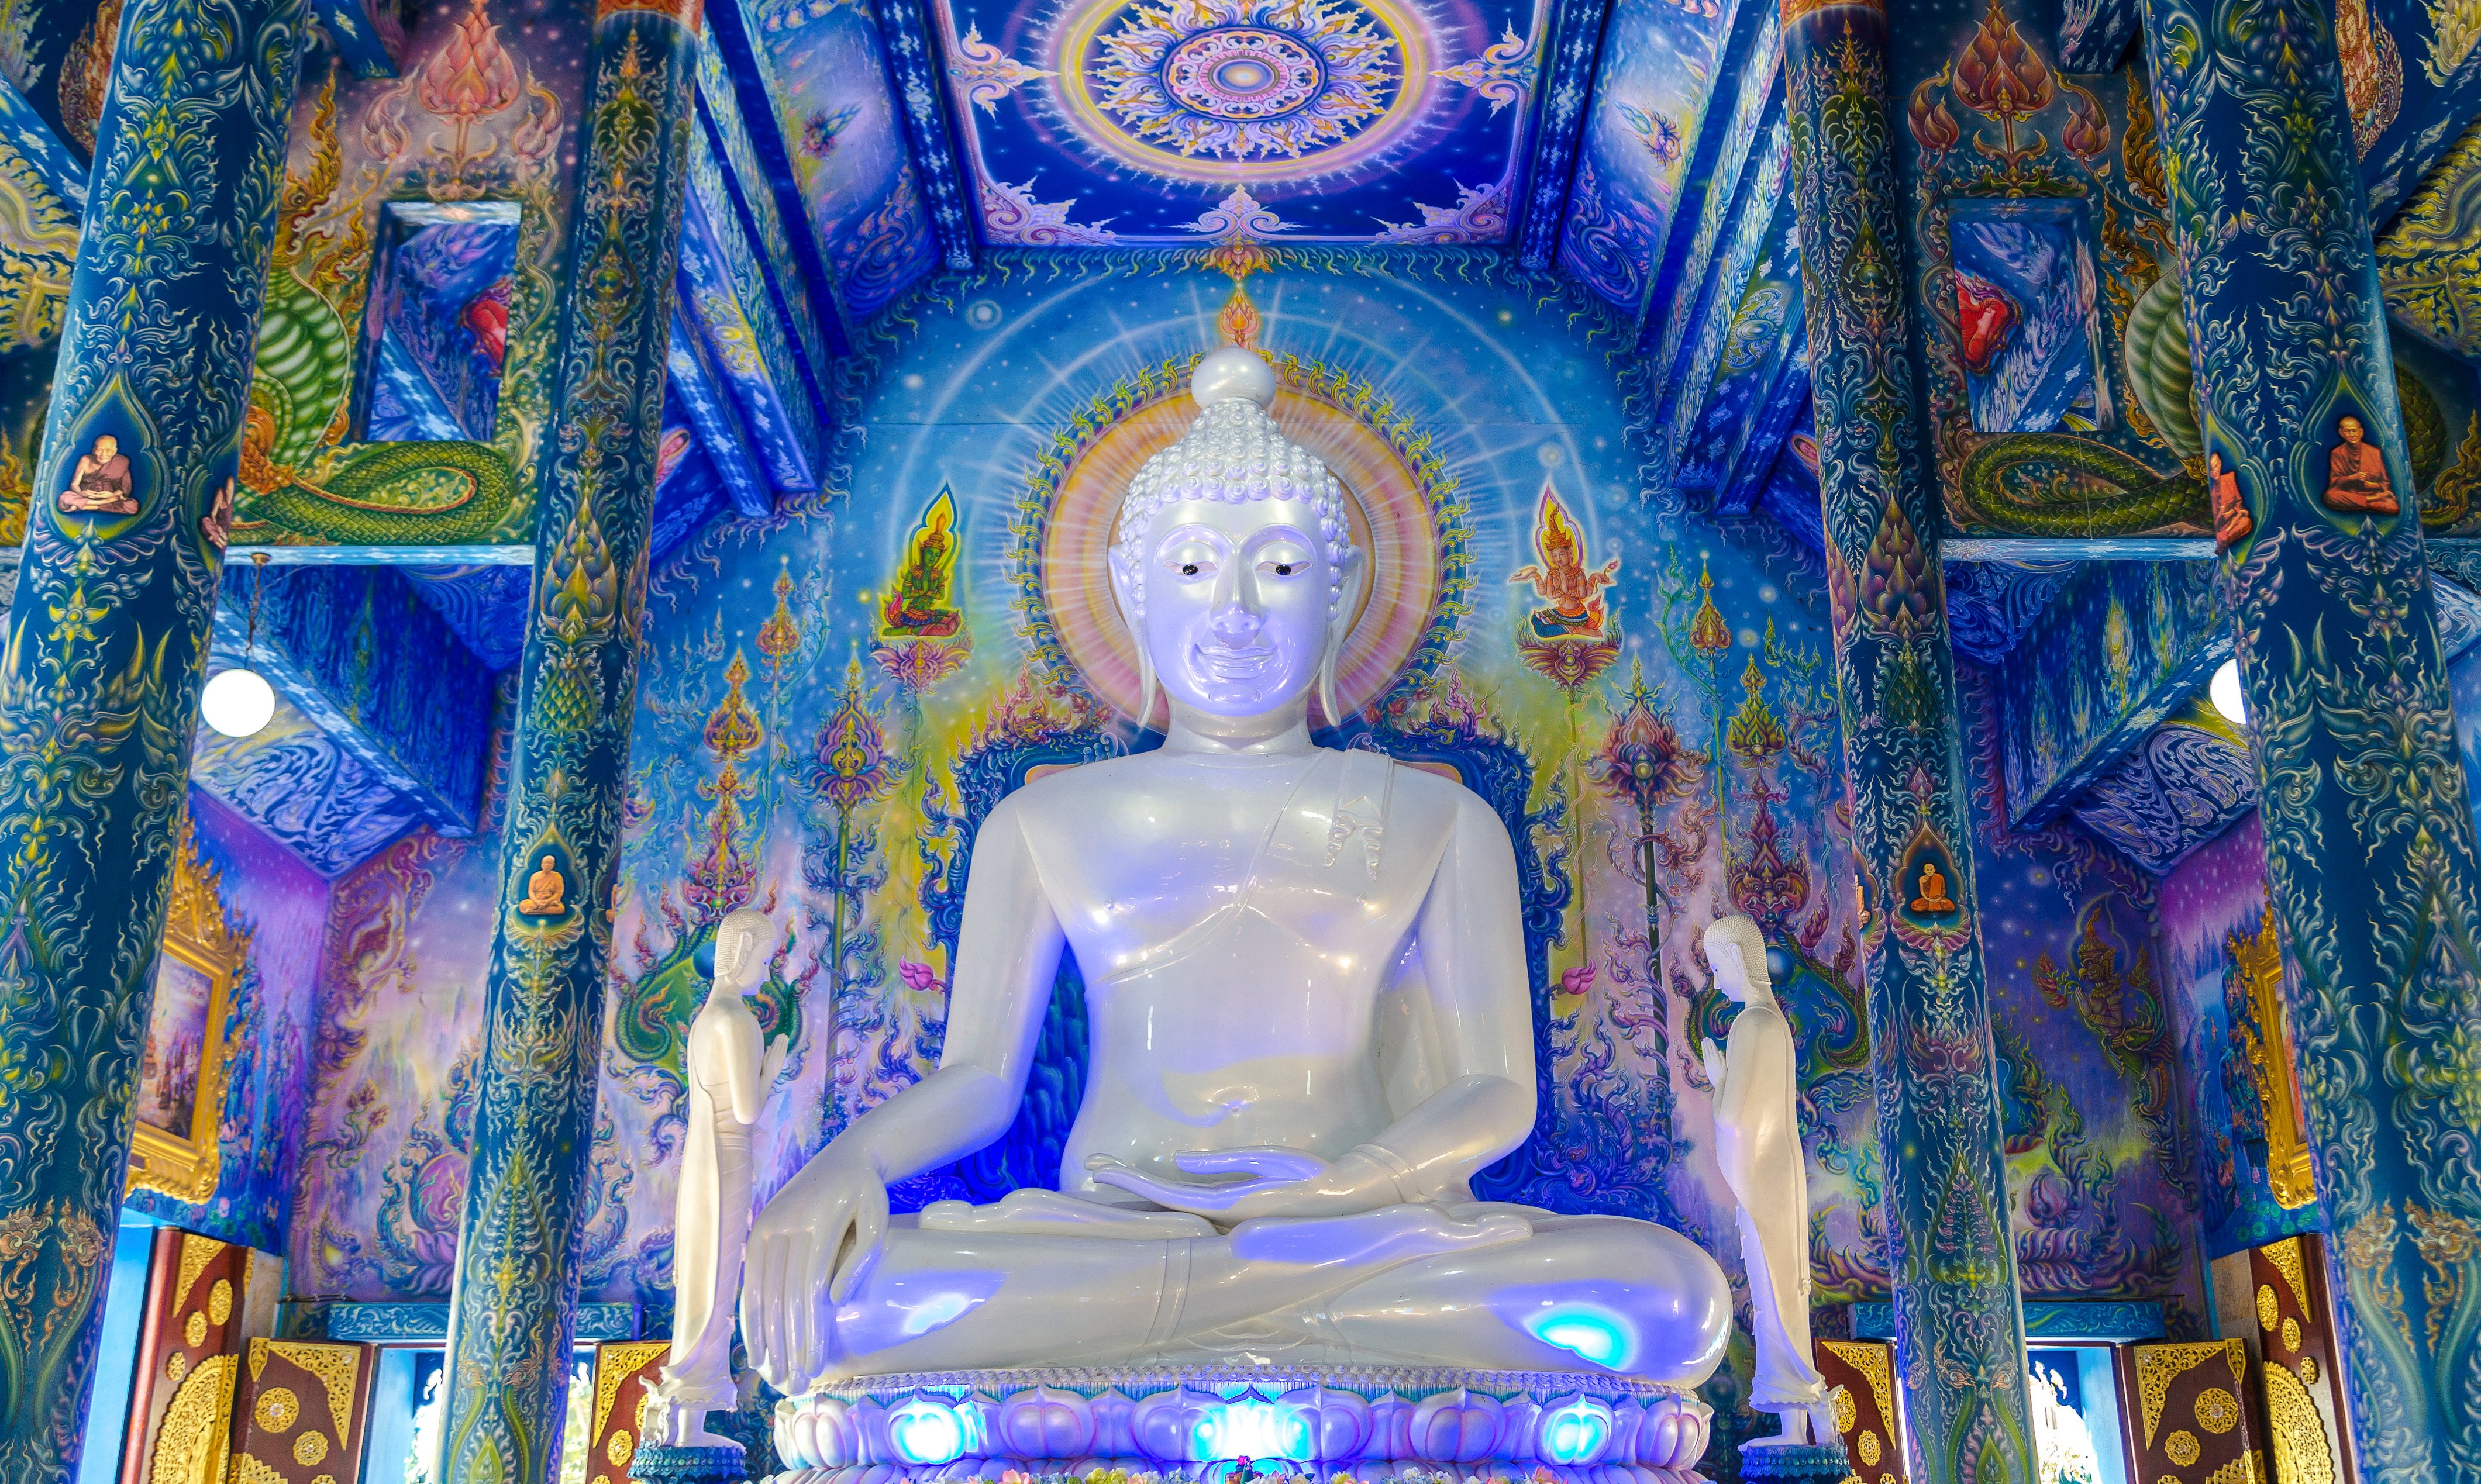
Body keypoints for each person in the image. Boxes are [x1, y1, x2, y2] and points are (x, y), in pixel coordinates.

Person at [739, 348, 1731, 1392]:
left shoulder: (1440, 818)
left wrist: (1350, 1185)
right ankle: (1268, 1315)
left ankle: (1216, 1311)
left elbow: (1496, 1092)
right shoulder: (1041, 822)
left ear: (1340, 595)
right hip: (1109, 1230)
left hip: (1362, 1228)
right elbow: (979, 1080)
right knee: (851, 1300)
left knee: (1668, 1298)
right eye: (1192, 568)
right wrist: (840, 1167)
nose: (1237, 612)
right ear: (1133, 593)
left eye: (1283, 569)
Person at [650, 908, 787, 1447]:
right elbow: (749, 1111)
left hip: (706, 1159)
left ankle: (690, 1422)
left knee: (708, 1279)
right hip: (728, 1158)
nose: (767, 971)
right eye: (764, 958)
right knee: (715, 1280)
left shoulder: (707, 1020)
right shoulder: (736, 1020)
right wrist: (772, 1066)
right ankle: (688, 1416)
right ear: (739, 954)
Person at [1700, 914, 1834, 1446]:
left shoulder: (1750, 1025)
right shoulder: (1772, 1025)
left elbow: (1734, 1117)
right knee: (1782, 1290)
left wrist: (1718, 1083)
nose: (1715, 981)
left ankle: (1806, 1405)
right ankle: (1802, 1418)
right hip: (1779, 1170)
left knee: (1776, 1294)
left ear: (1737, 960)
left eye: (1717, 967)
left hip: (1762, 1177)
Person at [2324, 414, 2398, 515]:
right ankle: (2371, 502)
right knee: (2329, 496)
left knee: (2393, 507)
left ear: (2361, 432)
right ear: (2341, 433)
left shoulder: (2374, 452)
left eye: (2354, 431)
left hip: (2371, 492)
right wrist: (2352, 478)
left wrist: (2373, 485)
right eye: (2347, 431)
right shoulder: (2337, 453)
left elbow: (2385, 482)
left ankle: (2364, 502)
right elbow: (2334, 483)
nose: (2352, 435)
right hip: (2351, 494)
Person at [58, 433, 137, 515]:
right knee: (65, 498)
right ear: (94, 450)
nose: (103, 454)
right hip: (87, 496)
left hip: (109, 496)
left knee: (132, 506)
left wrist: (112, 495)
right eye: (100, 450)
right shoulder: (85, 460)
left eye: (108, 451)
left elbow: (124, 487)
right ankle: (97, 504)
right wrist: (81, 493)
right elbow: (74, 484)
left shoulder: (122, 462)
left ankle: (87, 506)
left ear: (115, 452)